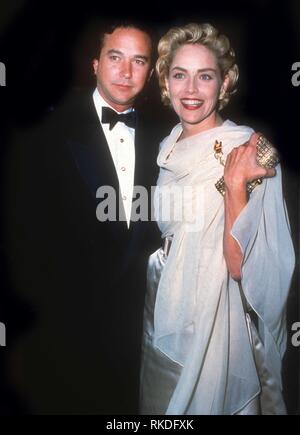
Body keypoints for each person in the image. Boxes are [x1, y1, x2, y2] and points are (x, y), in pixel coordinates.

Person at [3, 20, 163, 414]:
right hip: (65, 336)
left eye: (139, 61)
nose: (127, 72)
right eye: (115, 57)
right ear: (95, 64)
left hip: (138, 337)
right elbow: (20, 236)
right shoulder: (46, 135)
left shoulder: (167, 139)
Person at [140, 23, 295, 415]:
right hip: (163, 301)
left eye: (204, 76)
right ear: (166, 82)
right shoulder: (168, 143)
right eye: (180, 75)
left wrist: (234, 183)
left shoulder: (249, 149)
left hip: (214, 319)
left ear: (224, 82)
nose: (191, 89)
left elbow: (241, 267)